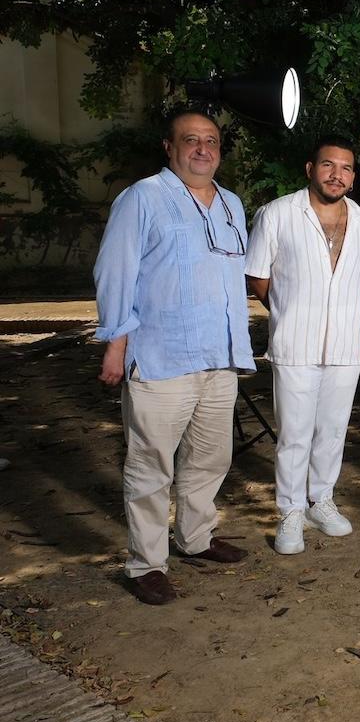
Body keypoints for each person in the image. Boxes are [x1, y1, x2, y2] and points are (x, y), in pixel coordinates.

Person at [94, 109, 254, 605]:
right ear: (170, 147)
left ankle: (195, 538)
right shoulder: (142, 198)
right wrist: (116, 344)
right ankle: (145, 564)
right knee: (151, 465)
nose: (203, 149)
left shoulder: (231, 204)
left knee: (210, 458)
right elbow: (113, 272)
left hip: (220, 355)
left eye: (211, 140)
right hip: (162, 355)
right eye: (191, 140)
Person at [245, 136, 360, 554]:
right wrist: (287, 310)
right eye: (328, 165)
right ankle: (289, 512)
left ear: (353, 177)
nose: (336, 174)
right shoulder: (278, 214)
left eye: (345, 168)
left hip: (346, 345)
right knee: (294, 433)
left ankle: (321, 500)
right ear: (310, 169)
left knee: (333, 431)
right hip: (295, 344)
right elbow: (258, 277)